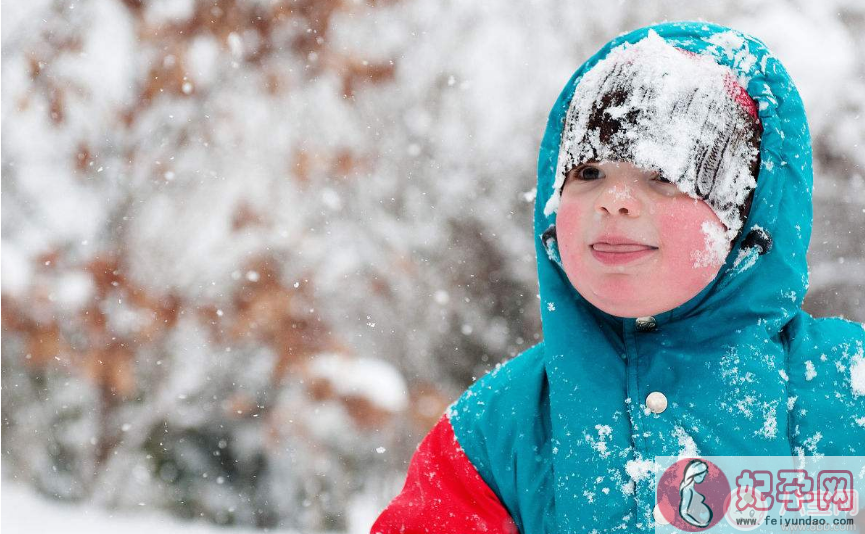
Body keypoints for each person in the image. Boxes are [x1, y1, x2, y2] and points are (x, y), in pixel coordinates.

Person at [371, 21, 865, 534]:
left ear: (746, 224)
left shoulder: (845, 387)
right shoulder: (499, 427)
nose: (615, 200)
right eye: (588, 173)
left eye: (662, 177)